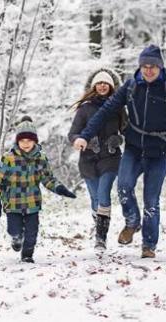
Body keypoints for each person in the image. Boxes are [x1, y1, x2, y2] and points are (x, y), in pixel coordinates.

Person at [72, 45, 166, 259]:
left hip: (160, 150)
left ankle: (148, 245)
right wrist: (85, 135)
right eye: (145, 66)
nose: (148, 70)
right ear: (139, 66)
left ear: (160, 67)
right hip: (134, 148)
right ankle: (132, 221)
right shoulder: (130, 87)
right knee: (124, 186)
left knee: (151, 199)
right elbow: (105, 111)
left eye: (153, 66)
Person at [0, 116, 77, 263]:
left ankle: (27, 255)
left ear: (35, 141)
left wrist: (60, 188)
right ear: (17, 141)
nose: (25, 144)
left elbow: (47, 178)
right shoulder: (9, 158)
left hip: (32, 203)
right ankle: (17, 238)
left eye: (29, 141)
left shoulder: (40, 158)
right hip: (13, 203)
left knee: (32, 232)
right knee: (14, 229)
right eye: (22, 141)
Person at [67, 69, 125, 251]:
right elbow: (73, 133)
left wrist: (118, 139)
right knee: (94, 198)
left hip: (110, 157)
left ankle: (101, 237)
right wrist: (80, 140)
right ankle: (100, 222)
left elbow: (127, 130)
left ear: (110, 87)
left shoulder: (118, 107)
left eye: (106, 84)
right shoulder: (84, 108)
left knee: (103, 194)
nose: (102, 86)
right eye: (99, 83)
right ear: (94, 87)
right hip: (88, 159)